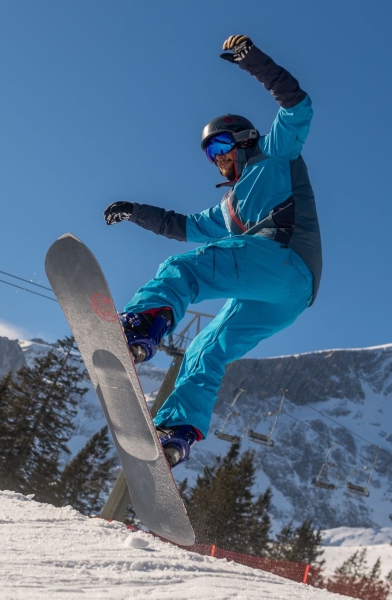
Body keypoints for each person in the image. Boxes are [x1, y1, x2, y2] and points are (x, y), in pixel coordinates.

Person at [103, 35, 321, 468]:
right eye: (209, 154)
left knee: (186, 269)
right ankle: (177, 432)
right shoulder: (229, 208)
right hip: (284, 297)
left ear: (243, 140)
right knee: (208, 348)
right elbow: (181, 226)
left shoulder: (275, 154)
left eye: (221, 147)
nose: (217, 159)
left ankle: (144, 325)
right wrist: (134, 211)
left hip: (285, 260)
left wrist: (253, 61)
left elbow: (297, 106)